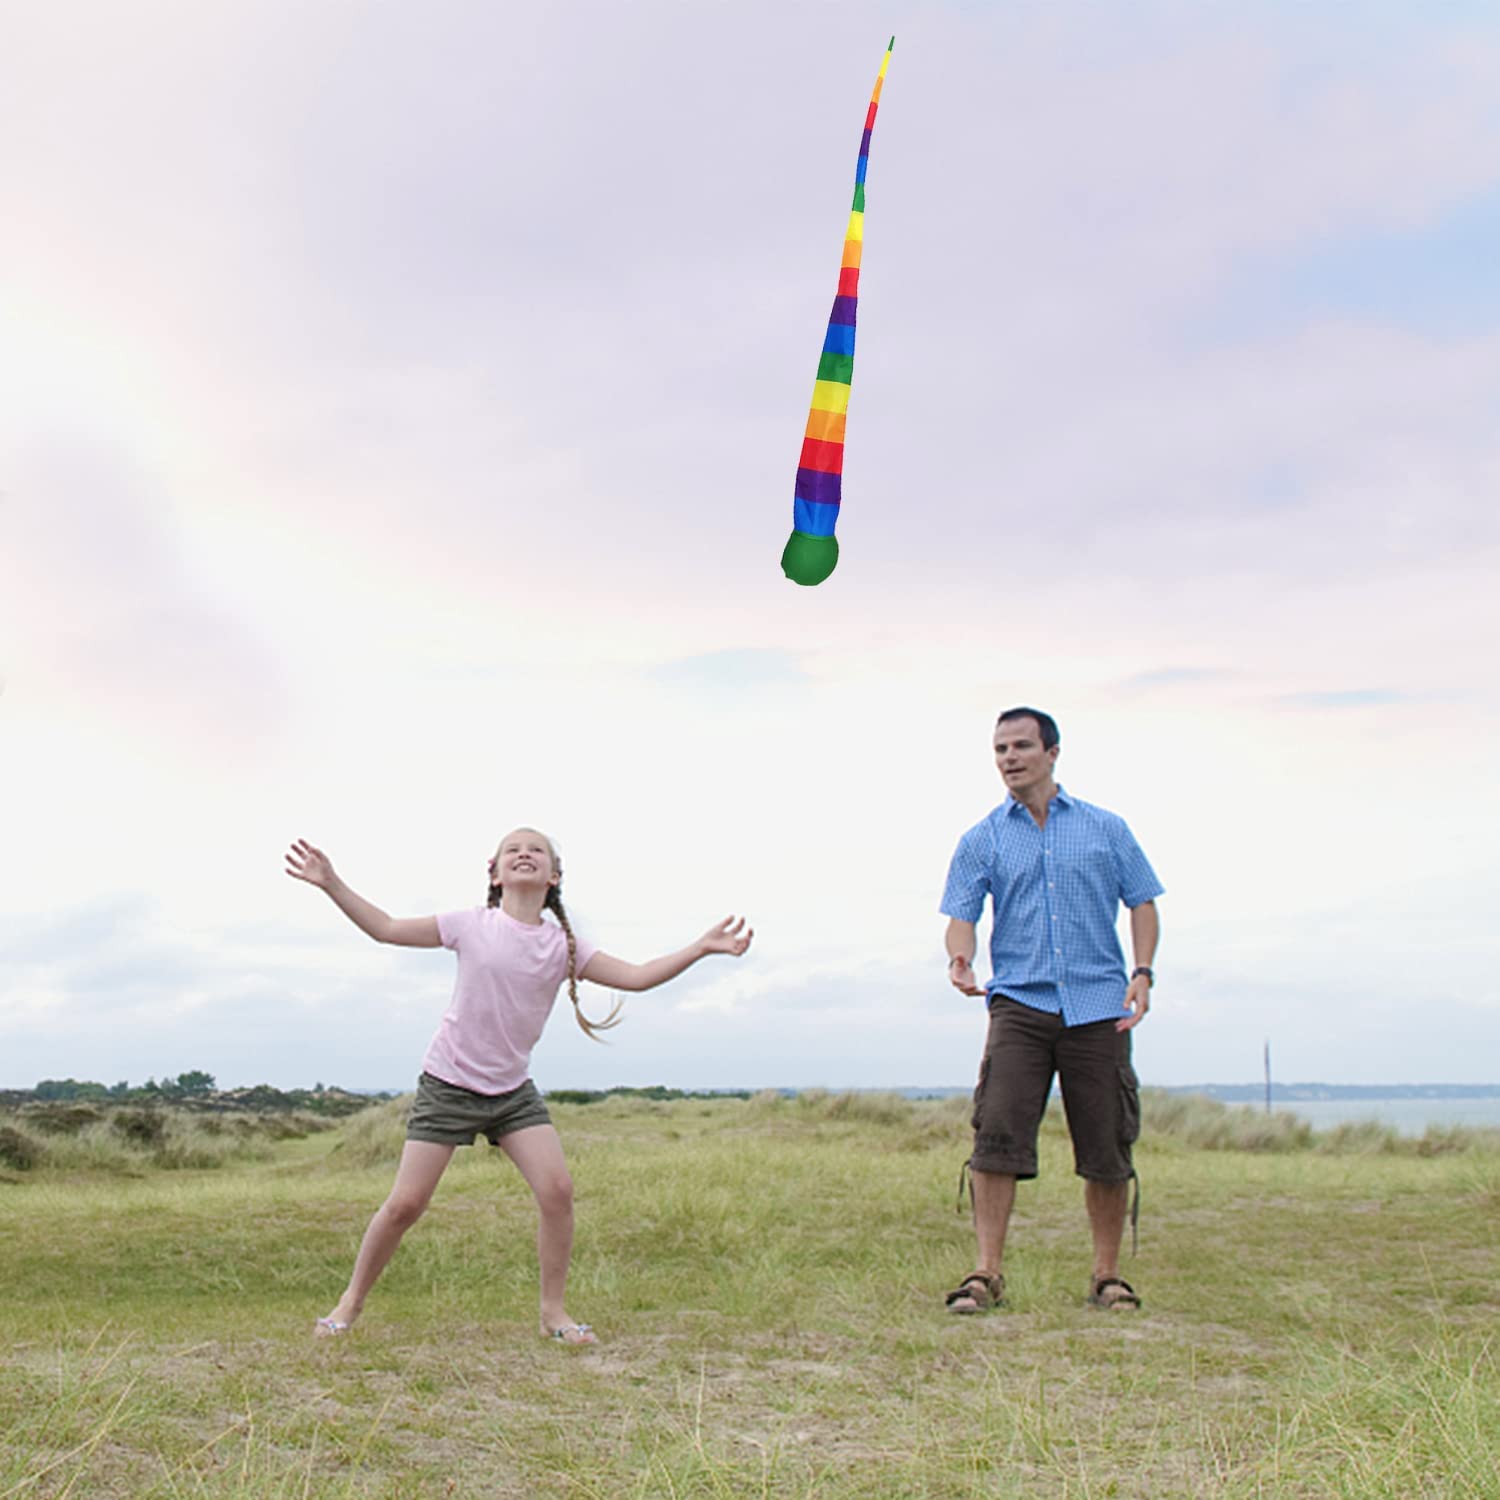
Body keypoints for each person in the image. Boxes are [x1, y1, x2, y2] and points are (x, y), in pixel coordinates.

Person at [285, 827, 753, 1345]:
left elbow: (637, 976)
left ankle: (553, 1313)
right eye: (513, 849)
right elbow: (387, 928)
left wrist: (701, 948)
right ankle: (349, 1303)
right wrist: (331, 883)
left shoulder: (562, 947)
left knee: (558, 1191)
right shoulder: (470, 925)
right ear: (494, 872)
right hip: (449, 1083)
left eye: (536, 851)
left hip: (511, 1092)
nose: (524, 853)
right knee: (406, 1204)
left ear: (554, 877)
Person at [939, 707, 1162, 1315]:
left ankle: (1107, 1276)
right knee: (996, 1136)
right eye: (1000, 749)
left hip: (1099, 1007)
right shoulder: (982, 838)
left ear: (1052, 752)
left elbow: (1143, 902)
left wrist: (1143, 972)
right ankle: (985, 1273)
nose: (1009, 758)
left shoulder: (1105, 828)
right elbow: (961, 915)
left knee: (1107, 1143)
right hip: (1019, 1004)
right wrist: (960, 959)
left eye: (1020, 746)